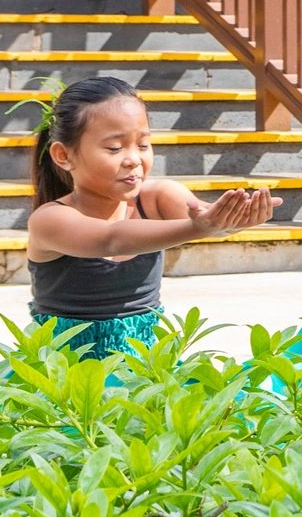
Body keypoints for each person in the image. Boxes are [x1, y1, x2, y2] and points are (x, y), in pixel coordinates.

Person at [24, 76, 279, 357]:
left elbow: (202, 214)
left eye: (143, 145)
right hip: (68, 370)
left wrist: (232, 219)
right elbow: (112, 239)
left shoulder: (156, 197)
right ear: (63, 155)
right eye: (114, 148)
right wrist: (203, 227)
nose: (134, 158)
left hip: (147, 366)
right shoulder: (50, 220)